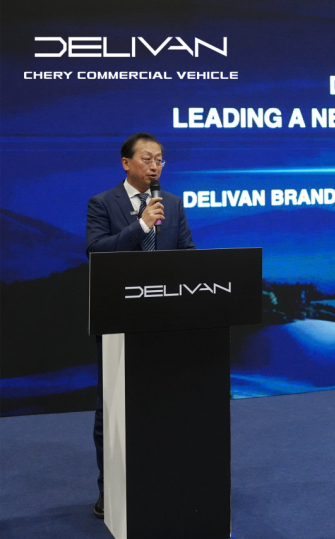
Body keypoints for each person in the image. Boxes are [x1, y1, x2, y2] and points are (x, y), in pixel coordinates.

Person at [86, 132, 195, 518]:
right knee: (113, 409)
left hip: (165, 321)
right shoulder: (103, 203)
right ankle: (110, 490)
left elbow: (188, 256)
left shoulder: (174, 204)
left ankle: (163, 481)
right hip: (119, 318)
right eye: (147, 158)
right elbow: (96, 252)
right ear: (126, 162)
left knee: (166, 405)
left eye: (160, 159)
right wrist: (141, 226)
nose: (154, 166)